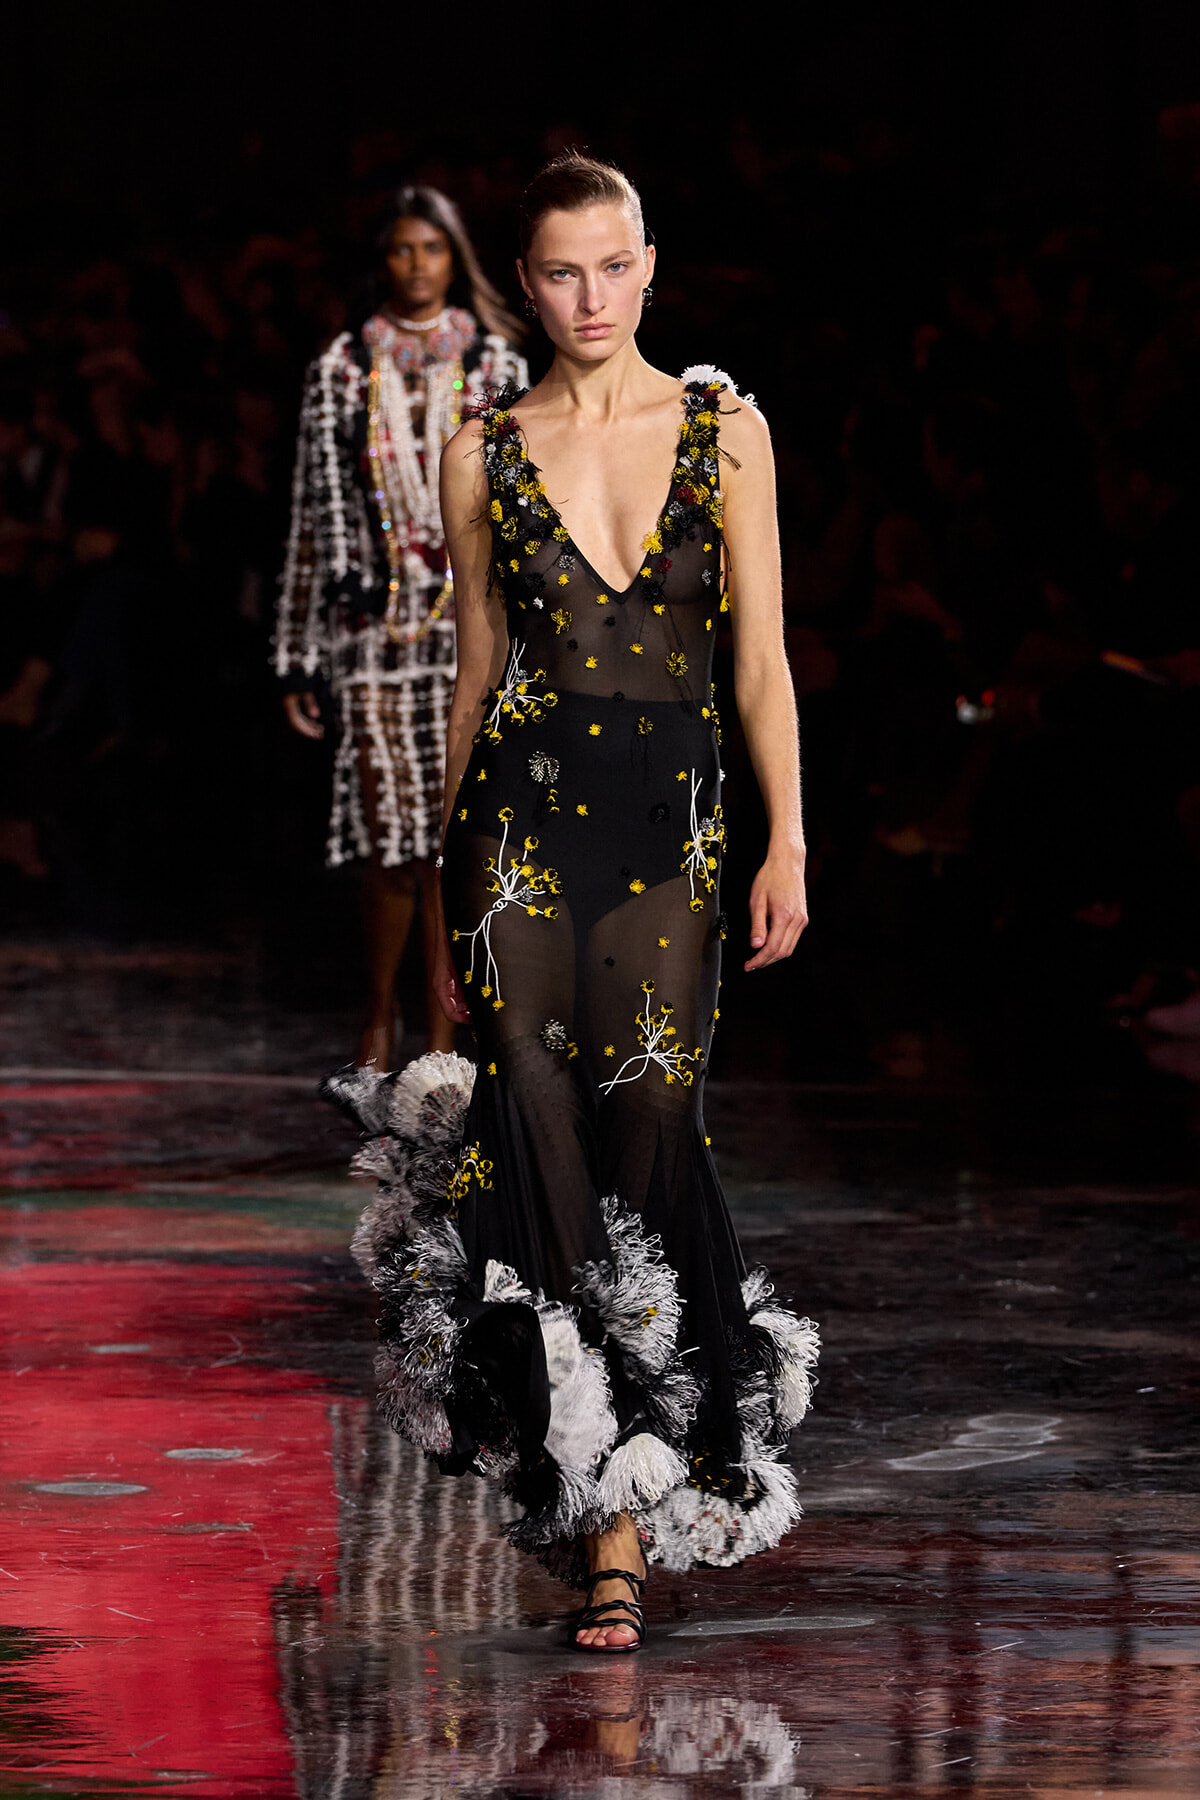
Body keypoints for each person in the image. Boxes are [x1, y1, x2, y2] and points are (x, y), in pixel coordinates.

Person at [328, 154, 817, 1654]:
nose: (590, 298)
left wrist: (788, 840)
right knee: (537, 1151)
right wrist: (442, 860)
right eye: (560, 272)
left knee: (650, 1138)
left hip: (673, 841)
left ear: (651, 266)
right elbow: (478, 672)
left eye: (613, 267)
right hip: (519, 846)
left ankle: (642, 1466)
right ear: (524, 286)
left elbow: (760, 665)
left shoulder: (728, 433)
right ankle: (602, 1533)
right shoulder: (483, 451)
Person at [275, 189, 528, 1067]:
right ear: (382, 261)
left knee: (454, 831)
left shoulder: (498, 362)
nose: (417, 264)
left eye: (433, 248)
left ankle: (441, 1026)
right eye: (402, 250)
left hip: (473, 630)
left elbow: (528, 507)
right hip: (376, 632)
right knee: (390, 831)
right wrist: (298, 656)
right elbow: (317, 512)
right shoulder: (341, 368)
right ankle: (379, 1014)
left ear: (456, 257)